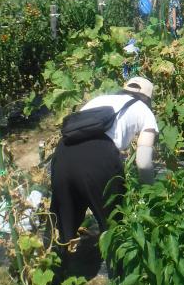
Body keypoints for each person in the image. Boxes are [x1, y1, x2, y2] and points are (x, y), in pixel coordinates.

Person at [50, 77, 158, 248]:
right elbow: (143, 162)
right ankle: (119, 270)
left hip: (63, 152)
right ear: (146, 98)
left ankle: (56, 267)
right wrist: (151, 193)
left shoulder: (99, 100)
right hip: (98, 156)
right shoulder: (144, 110)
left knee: (63, 222)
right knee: (114, 224)